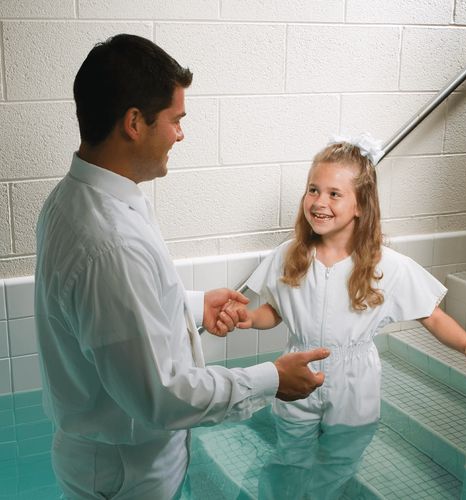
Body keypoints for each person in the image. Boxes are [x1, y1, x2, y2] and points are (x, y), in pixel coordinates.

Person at [34, 33, 330, 500]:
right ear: (134, 122)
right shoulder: (110, 243)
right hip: (128, 470)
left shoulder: (75, 199)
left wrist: (192, 306)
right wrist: (271, 378)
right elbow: (162, 395)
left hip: (109, 453)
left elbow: (110, 313)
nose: (180, 134)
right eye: (175, 120)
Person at [222, 134, 466, 499]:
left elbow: (430, 316)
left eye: (334, 194)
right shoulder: (290, 254)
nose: (320, 202)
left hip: (355, 382)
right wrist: (249, 318)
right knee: (290, 457)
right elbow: (274, 311)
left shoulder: (385, 265)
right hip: (297, 372)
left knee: (340, 458)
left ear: (360, 205)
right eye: (313, 190)